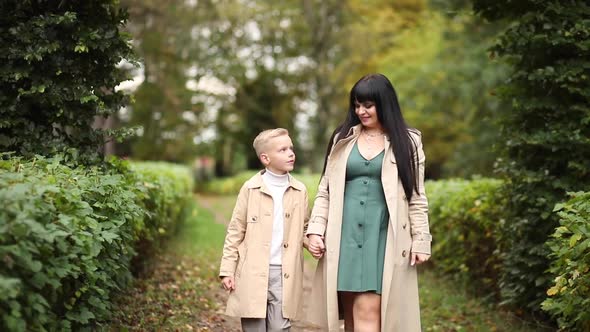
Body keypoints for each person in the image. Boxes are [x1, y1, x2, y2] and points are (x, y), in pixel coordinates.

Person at [306, 73, 432, 332]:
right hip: (344, 237)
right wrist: (316, 230)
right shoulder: (342, 137)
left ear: (384, 103)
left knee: (368, 312)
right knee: (352, 316)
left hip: (383, 238)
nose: (360, 111)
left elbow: (416, 196)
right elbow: (325, 190)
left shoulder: (408, 142)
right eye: (356, 105)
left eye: (368, 105)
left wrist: (422, 240)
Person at [219, 128, 309, 332]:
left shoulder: (300, 190)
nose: (291, 153)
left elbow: (304, 227)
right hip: (252, 271)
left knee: (280, 327)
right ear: (265, 158)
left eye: (291, 148)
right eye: (283, 149)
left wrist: (312, 241)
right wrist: (227, 270)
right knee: (254, 327)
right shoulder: (250, 188)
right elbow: (235, 230)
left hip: (284, 272)